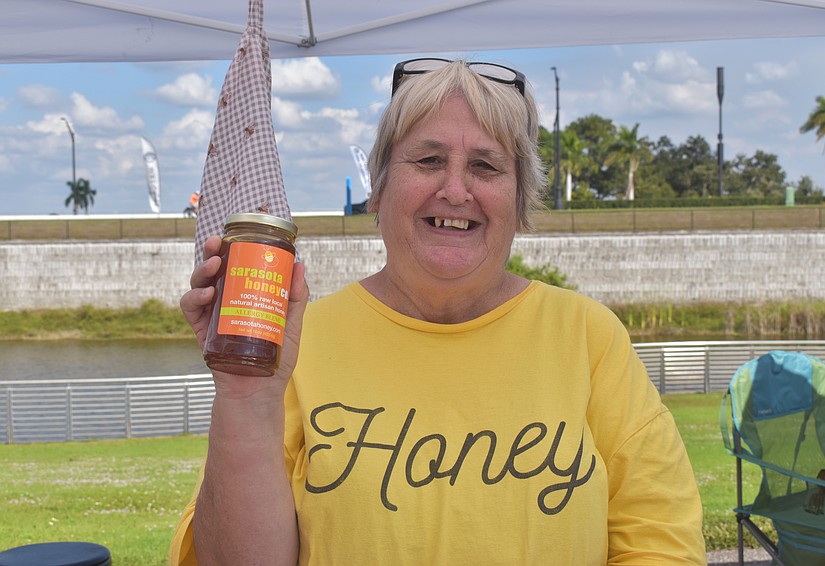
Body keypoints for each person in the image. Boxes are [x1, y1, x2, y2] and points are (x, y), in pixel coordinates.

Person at [170, 58, 706, 565]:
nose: (455, 190)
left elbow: (661, 542)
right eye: (428, 160)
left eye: (486, 166)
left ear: (520, 201)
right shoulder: (294, 342)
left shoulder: (588, 336)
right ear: (378, 190)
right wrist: (245, 397)